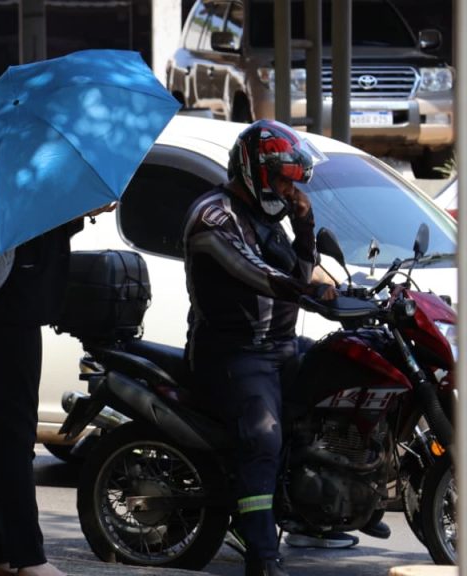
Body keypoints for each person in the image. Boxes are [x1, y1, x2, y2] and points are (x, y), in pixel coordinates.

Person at [181, 120, 337, 576]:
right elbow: (256, 273)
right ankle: (262, 557)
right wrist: (308, 291)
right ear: (257, 171)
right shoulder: (213, 216)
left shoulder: (270, 218)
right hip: (234, 354)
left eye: (294, 182)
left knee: (340, 381)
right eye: (284, 180)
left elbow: (300, 271)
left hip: (281, 347)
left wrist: (305, 225)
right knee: (263, 439)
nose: (290, 190)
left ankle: (323, 508)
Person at [0, 202, 114, 576]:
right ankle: (27, 558)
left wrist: (76, 212)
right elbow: (28, 233)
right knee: (13, 433)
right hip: (10, 305)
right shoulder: (12, 183)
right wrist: (75, 207)